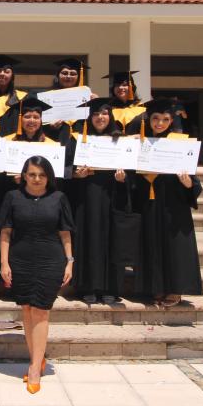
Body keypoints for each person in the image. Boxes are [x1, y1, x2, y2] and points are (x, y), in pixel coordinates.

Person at [0, 156, 74, 394]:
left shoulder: (58, 198)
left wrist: (69, 262)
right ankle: (37, 359)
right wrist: (4, 263)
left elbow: (65, 233)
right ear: (24, 175)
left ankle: (33, 368)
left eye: (41, 175)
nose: (37, 179)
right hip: (20, 260)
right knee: (27, 310)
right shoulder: (13, 197)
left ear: (49, 177)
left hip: (50, 260)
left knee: (41, 310)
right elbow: (6, 233)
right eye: (32, 174)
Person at [124, 98, 203, 308]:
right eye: (156, 118)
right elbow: (131, 175)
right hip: (148, 203)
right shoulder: (139, 142)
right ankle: (155, 286)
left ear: (171, 120)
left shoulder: (181, 142)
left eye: (165, 119)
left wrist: (188, 183)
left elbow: (195, 182)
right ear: (149, 119)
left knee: (174, 247)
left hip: (173, 203)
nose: (160, 123)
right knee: (152, 243)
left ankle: (175, 289)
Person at [68, 98, 124, 305]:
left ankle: (110, 287)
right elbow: (67, 170)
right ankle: (87, 287)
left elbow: (132, 173)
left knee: (112, 239)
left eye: (104, 113)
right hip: (87, 197)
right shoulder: (79, 140)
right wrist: (76, 175)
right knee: (88, 238)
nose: (100, 117)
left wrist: (123, 179)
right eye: (96, 114)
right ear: (89, 118)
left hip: (112, 196)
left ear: (110, 117)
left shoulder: (121, 140)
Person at [44, 58, 91, 143]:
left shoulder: (87, 97)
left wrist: (95, 103)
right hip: (56, 140)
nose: (68, 76)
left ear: (79, 77)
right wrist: (50, 127)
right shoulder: (48, 98)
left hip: (80, 141)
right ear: (58, 75)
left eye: (73, 74)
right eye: (64, 73)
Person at [105, 71, 146, 135]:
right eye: (117, 85)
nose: (120, 87)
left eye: (124, 85)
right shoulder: (107, 109)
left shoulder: (142, 108)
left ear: (132, 87)